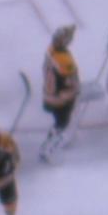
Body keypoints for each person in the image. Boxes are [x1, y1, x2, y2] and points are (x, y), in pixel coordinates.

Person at [40, 25, 80, 162]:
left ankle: (49, 144)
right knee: (62, 123)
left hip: (49, 94)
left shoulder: (50, 50)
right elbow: (70, 81)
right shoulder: (64, 60)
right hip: (60, 97)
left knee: (59, 122)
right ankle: (49, 151)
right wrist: (75, 90)